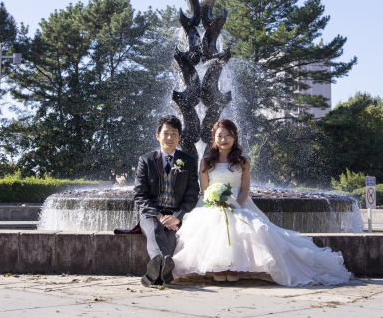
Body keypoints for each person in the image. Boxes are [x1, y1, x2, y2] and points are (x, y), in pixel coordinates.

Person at [172, 119, 352, 286]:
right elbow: (204, 190)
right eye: (219, 135)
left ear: (234, 137)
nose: (224, 139)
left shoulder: (243, 162)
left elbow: (245, 189)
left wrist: (235, 206)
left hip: (239, 203)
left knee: (246, 227)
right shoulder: (206, 162)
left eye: (228, 135)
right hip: (212, 205)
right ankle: (219, 266)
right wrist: (215, 203)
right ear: (214, 138)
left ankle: (233, 266)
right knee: (212, 225)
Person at [133, 115, 200, 287]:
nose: (169, 138)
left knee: (171, 236)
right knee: (156, 231)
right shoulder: (146, 160)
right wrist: (158, 215)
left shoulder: (188, 161)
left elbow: (192, 195)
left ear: (179, 137)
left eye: (174, 134)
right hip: (151, 213)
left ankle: (155, 275)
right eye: (165, 133)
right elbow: (140, 194)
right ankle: (163, 266)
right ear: (157, 135)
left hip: (176, 214)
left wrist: (178, 216)